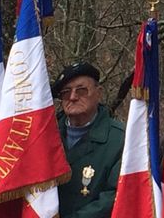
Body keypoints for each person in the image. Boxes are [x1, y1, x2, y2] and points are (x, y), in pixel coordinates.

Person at [52, 62, 125, 218]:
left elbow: (115, 196)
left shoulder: (120, 139)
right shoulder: (45, 136)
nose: (72, 97)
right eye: (66, 92)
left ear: (98, 93)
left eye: (81, 90)